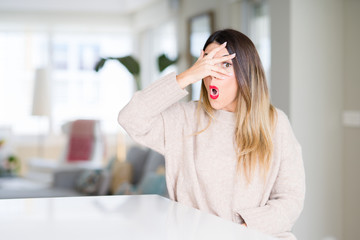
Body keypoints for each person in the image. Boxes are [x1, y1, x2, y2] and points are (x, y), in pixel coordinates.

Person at [118, 29, 305, 240]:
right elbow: (130, 117)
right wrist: (187, 76)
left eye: (224, 64)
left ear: (246, 71)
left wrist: (241, 231)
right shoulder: (184, 119)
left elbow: (290, 198)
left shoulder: (275, 124)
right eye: (207, 62)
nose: (212, 74)